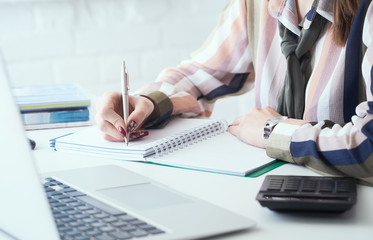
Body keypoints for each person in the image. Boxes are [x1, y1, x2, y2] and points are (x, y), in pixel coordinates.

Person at [95, 0, 373, 185]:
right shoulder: (255, 4)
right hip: (271, 194)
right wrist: (146, 102)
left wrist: (272, 131)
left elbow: (369, 147)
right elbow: (205, 72)